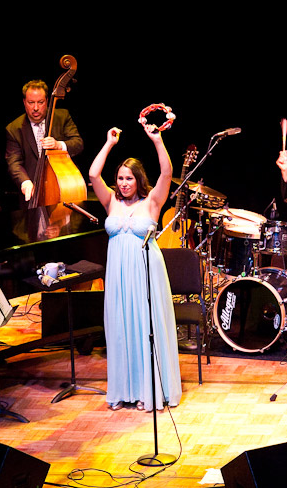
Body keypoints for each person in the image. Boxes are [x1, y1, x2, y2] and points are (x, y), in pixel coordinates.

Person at [88, 125, 181, 412]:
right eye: (120, 178)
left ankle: (147, 390)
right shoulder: (110, 201)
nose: (124, 183)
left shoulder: (152, 202)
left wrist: (157, 140)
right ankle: (123, 390)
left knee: (144, 328)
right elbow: (92, 174)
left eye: (129, 178)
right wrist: (108, 144)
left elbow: (167, 173)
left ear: (138, 179)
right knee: (120, 328)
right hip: (117, 275)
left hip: (145, 273)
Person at [5, 80, 84, 206]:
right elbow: (14, 162)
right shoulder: (14, 128)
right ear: (24, 102)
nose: (36, 108)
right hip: (33, 194)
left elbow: (78, 144)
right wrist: (25, 182)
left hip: (63, 187)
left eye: (40, 102)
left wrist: (59, 145)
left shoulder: (62, 117)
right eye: (31, 103)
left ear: (47, 100)